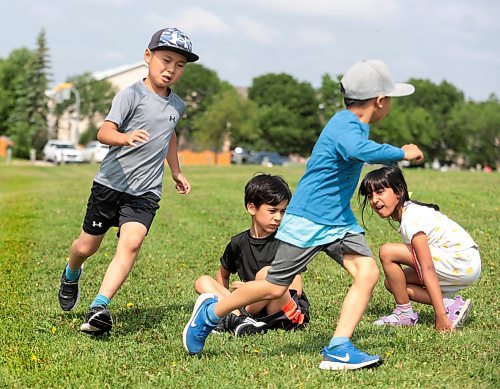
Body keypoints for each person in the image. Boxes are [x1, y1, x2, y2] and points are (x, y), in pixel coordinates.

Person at [183, 59, 424, 370]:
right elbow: (360, 151)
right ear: (379, 101)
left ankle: (339, 346)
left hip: (337, 220)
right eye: (390, 98)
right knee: (274, 287)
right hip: (310, 218)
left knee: (368, 273)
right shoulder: (344, 126)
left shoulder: (353, 126)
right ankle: (210, 315)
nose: (390, 104)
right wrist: (401, 153)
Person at [58, 27, 198, 335]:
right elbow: (103, 132)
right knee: (86, 247)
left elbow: (170, 135)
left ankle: (99, 307)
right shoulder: (130, 94)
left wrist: (176, 170)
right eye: (166, 59)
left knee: (131, 243)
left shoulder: (177, 105)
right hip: (110, 185)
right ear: (148, 57)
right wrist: (124, 138)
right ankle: (71, 273)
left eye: (179, 65)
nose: (171, 69)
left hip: (144, 192)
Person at [358, 166, 481, 331]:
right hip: (465, 265)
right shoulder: (408, 213)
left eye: (380, 192)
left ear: (399, 191)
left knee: (387, 251)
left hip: (461, 261)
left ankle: (410, 313)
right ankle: (450, 305)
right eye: (370, 195)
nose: (374, 200)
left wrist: (440, 317)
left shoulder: (412, 217)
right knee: (394, 283)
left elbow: (427, 267)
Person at [194, 174, 310, 337]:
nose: (278, 217)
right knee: (202, 282)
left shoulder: (287, 242)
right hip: (250, 308)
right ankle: (239, 319)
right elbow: (223, 274)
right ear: (252, 208)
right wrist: (229, 298)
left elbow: (296, 289)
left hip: (282, 309)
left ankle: (234, 318)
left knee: (267, 273)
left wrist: (253, 288)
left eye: (283, 211)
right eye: (272, 211)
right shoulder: (238, 243)